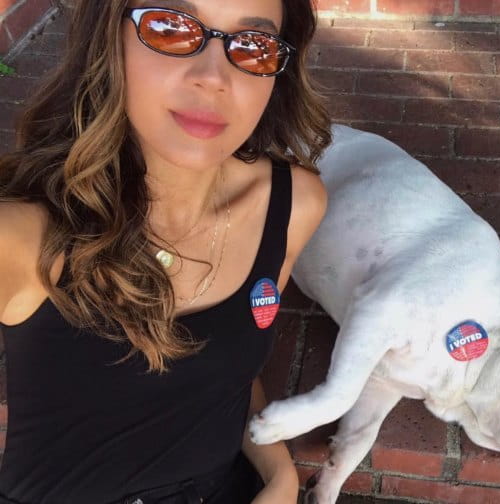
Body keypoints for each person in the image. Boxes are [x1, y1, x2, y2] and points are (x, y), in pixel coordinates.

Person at [0, 0, 330, 502]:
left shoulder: (292, 205)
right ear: (108, 39)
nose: (213, 77)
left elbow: (229, 372)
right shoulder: (24, 235)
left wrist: (279, 474)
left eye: (253, 45)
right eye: (171, 28)